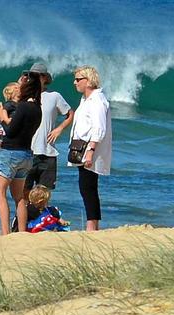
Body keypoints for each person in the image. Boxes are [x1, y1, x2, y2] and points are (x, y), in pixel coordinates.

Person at [0, 73, 42, 235]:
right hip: (26, 154)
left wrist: (2, 117)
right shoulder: (36, 108)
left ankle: (5, 233)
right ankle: (21, 231)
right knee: (19, 196)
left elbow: (11, 131)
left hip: (11, 153)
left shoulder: (23, 107)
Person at [69, 66, 112, 231]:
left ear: (88, 81)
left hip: (89, 151)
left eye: (78, 79)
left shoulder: (97, 101)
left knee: (88, 187)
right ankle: (92, 224)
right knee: (86, 186)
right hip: (83, 148)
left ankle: (92, 225)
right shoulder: (86, 100)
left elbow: (99, 129)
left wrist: (90, 151)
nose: (75, 83)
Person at [25, 63, 74, 191]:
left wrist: (59, 128)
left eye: (36, 76)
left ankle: (41, 212)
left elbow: (70, 113)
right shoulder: (24, 96)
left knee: (43, 196)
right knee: (23, 194)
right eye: (31, 76)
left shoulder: (54, 96)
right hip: (27, 152)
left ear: (44, 78)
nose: (33, 79)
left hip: (48, 153)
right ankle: (24, 212)